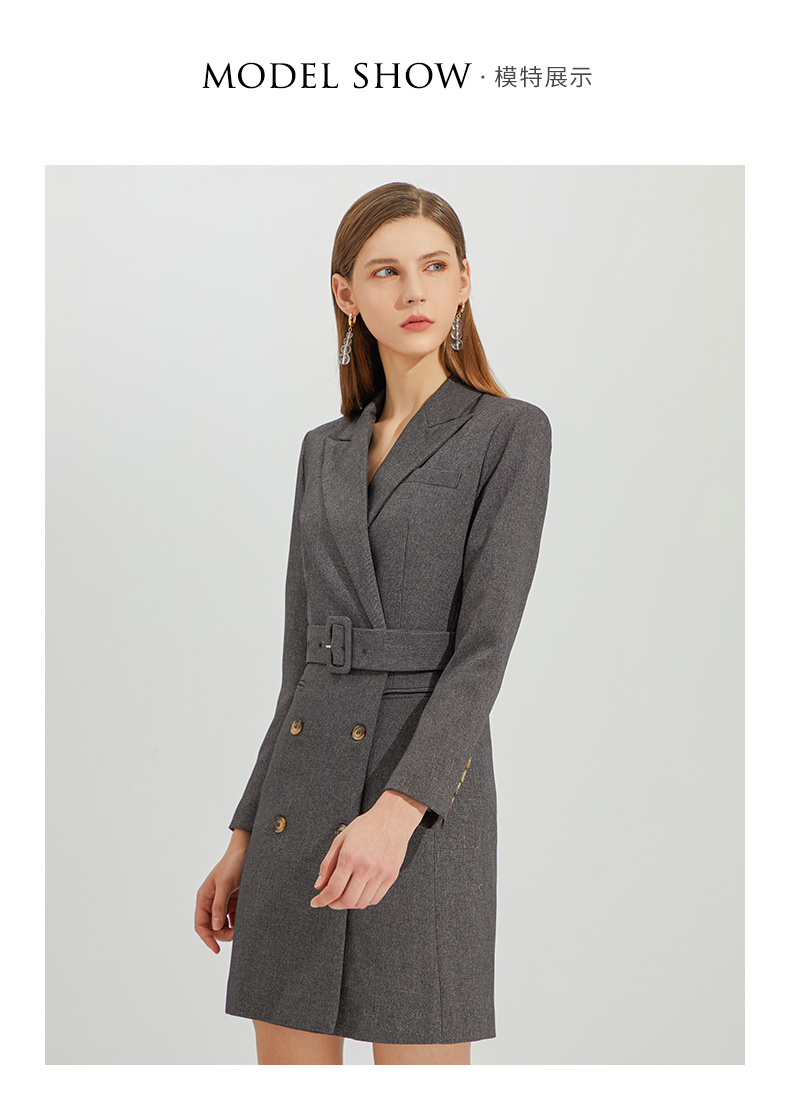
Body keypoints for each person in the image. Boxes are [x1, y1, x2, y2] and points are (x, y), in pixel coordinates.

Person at [195, 181, 552, 1065]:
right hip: (299, 804)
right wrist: (245, 832)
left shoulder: (509, 433)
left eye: (434, 266)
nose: (414, 290)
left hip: (423, 804)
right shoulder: (323, 448)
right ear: (345, 293)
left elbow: (483, 654)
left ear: (465, 281)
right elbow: (299, 665)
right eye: (386, 271)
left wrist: (399, 811)